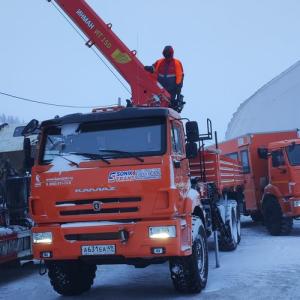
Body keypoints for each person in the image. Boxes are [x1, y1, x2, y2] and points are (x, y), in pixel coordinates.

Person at [144, 46, 185, 111]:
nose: (167, 54)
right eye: (166, 52)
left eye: (169, 53)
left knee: (169, 104)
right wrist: (149, 68)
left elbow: (180, 75)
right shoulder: (160, 61)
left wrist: (178, 88)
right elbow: (153, 68)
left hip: (171, 89)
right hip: (160, 88)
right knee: (157, 102)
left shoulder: (176, 63)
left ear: (172, 53)